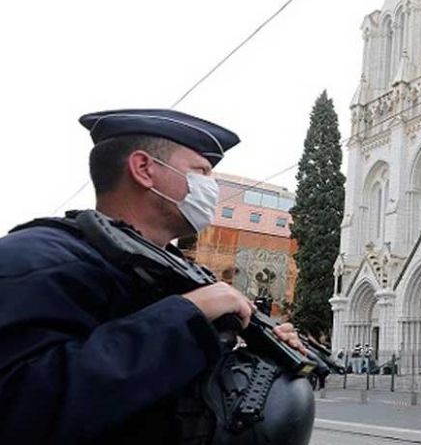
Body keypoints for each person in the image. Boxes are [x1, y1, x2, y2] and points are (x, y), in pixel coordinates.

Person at [0, 108, 309, 444]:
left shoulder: (181, 275)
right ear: (144, 169)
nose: (212, 188)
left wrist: (263, 352)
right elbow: (21, 407)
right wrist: (187, 315)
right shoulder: (37, 258)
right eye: (201, 172)